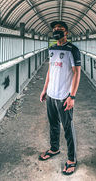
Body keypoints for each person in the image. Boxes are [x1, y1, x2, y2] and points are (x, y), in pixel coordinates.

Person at [39, 21, 81, 175]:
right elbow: (50, 70)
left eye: (60, 30)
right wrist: (44, 90)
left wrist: (72, 96)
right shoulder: (52, 49)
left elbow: (77, 73)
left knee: (68, 128)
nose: (56, 31)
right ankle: (54, 148)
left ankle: (72, 159)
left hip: (64, 96)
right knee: (53, 125)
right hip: (51, 94)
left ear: (66, 33)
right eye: (55, 29)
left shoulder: (73, 50)